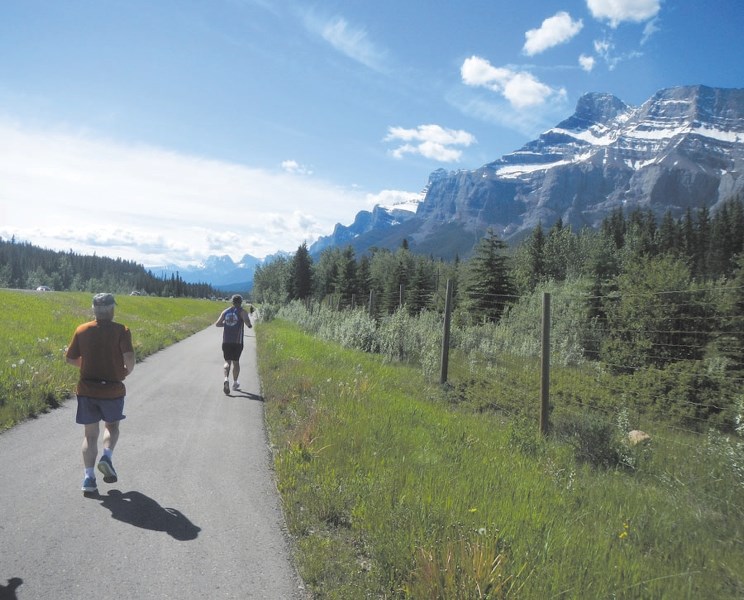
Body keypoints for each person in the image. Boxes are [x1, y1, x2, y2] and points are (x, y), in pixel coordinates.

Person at [66, 293, 135, 494]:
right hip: (112, 389)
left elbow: (70, 359)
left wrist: (85, 365)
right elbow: (129, 358)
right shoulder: (121, 330)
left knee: (89, 435)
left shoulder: (82, 330)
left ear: (94, 310)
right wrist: (125, 371)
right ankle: (107, 456)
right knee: (111, 426)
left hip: (87, 389)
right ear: (112, 309)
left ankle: (88, 478)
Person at [215, 294, 253, 394]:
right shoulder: (242, 311)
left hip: (226, 341)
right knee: (236, 362)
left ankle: (226, 379)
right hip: (237, 342)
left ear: (232, 301)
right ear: (241, 302)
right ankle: (235, 383)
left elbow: (217, 324)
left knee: (227, 362)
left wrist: (227, 323)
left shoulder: (225, 311)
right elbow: (248, 324)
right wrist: (248, 324)